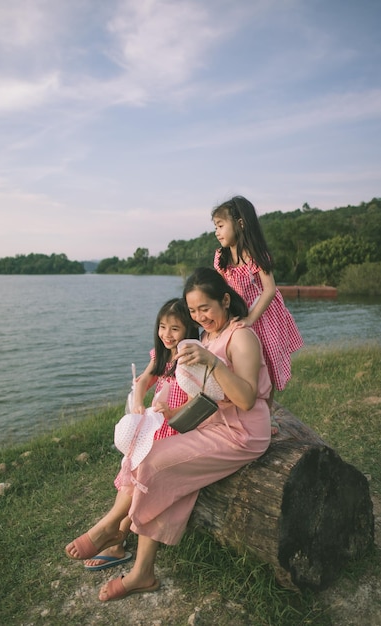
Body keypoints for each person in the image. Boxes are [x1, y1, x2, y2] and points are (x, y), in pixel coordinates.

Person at [65, 267, 272, 602]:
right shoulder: (207, 337)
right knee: (160, 465)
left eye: (205, 308)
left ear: (224, 299)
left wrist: (212, 363)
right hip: (214, 423)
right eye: (192, 311)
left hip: (241, 433)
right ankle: (143, 572)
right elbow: (206, 394)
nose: (199, 317)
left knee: (157, 466)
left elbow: (247, 399)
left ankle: (111, 527)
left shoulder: (241, 336)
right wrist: (174, 413)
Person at [83, 297, 199, 571]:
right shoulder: (161, 356)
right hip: (158, 425)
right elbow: (145, 380)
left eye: (174, 328)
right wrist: (138, 402)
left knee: (142, 478)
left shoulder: (190, 358)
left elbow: (198, 399)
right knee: (130, 474)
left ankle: (116, 537)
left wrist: (172, 412)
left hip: (179, 427)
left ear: (188, 330)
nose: (167, 335)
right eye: (162, 327)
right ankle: (117, 537)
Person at [212, 195, 304, 433]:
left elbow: (270, 289)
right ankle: (240, 409)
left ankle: (268, 414)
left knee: (268, 365)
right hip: (240, 316)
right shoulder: (222, 259)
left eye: (221, 226)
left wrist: (252, 318)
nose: (217, 232)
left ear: (240, 223)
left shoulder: (254, 255)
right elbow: (223, 292)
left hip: (264, 316)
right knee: (239, 363)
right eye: (215, 227)